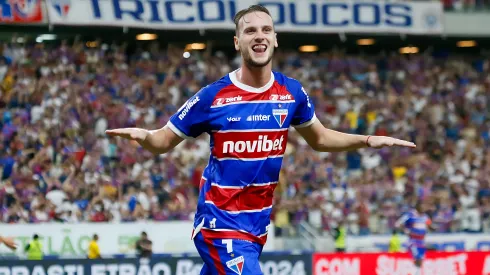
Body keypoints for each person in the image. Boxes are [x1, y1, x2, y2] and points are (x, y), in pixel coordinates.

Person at [106, 5, 416, 274]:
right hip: (221, 225)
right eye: (250, 30)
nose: (260, 35)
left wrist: (366, 140)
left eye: (266, 29)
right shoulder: (213, 97)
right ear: (237, 41)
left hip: (255, 229)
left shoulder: (292, 92)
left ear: (275, 39)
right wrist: (144, 136)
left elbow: (319, 138)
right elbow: (162, 141)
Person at [395, 202, 435, 275]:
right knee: (416, 258)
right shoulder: (410, 215)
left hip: (422, 241)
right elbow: (398, 223)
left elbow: (430, 225)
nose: (424, 208)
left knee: (420, 259)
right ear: (417, 207)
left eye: (424, 207)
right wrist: (406, 231)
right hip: (413, 240)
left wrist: (433, 228)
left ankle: (417, 273)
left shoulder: (425, 216)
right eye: (422, 207)